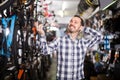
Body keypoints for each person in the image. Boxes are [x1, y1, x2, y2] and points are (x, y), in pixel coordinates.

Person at [35, 15, 103, 80]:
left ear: (80, 27)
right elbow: (44, 51)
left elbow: (99, 37)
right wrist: (42, 35)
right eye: (71, 21)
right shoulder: (59, 40)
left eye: (75, 22)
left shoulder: (83, 42)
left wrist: (85, 29)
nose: (72, 23)